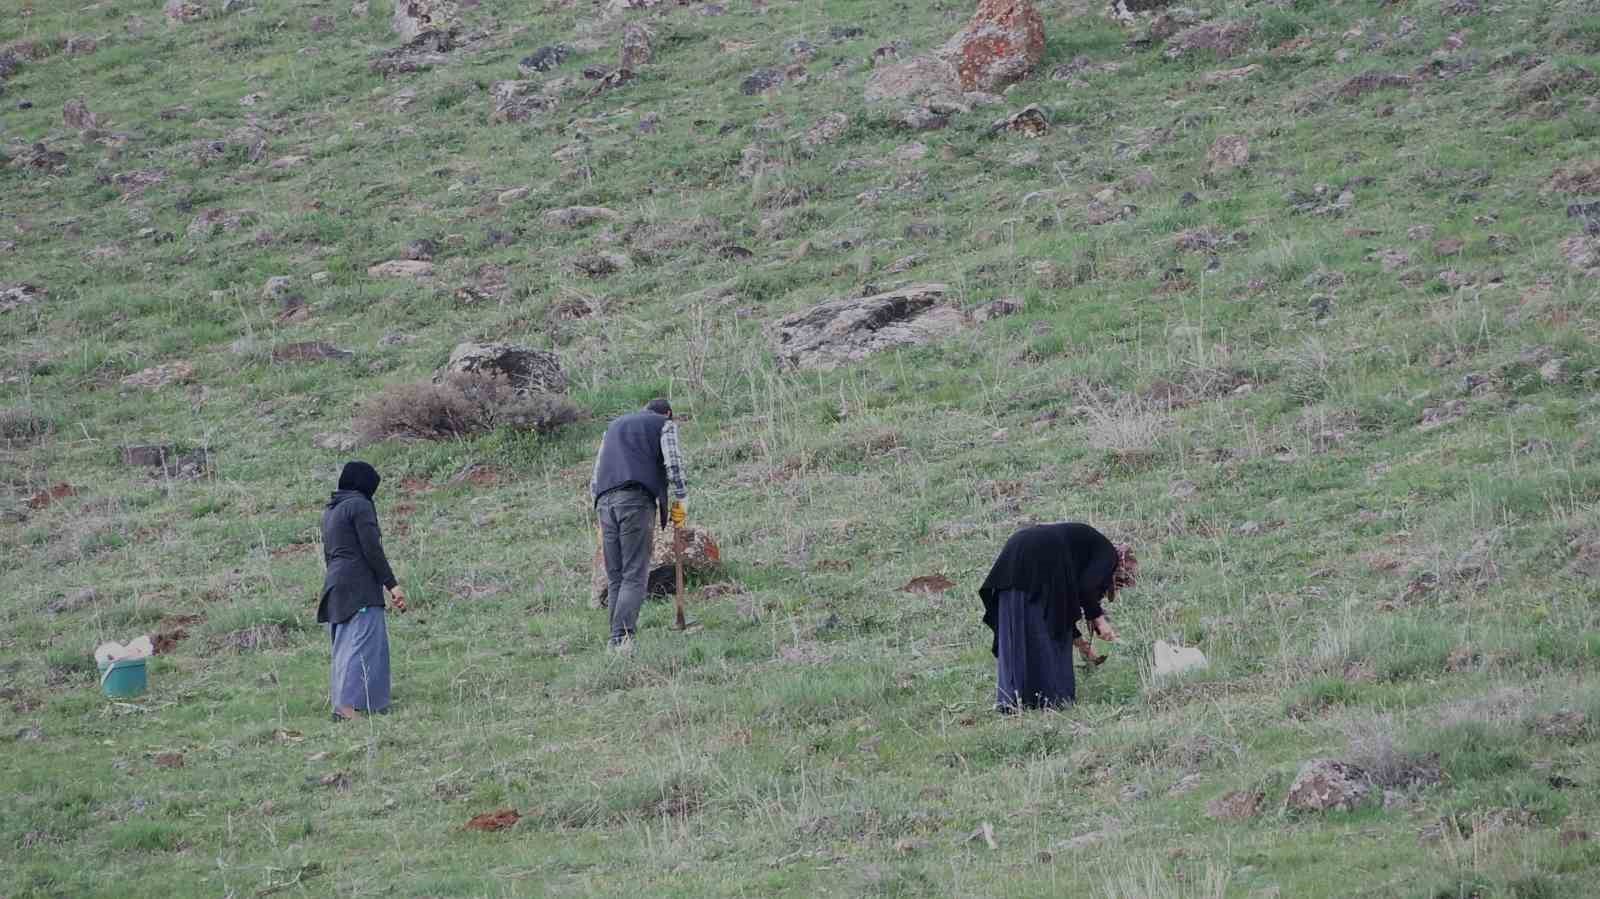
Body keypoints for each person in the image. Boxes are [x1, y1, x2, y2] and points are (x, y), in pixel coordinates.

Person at [977, 523, 1137, 710]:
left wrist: (1081, 643)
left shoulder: (1083, 552)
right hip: (1039, 555)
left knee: (1020, 629)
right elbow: (1086, 589)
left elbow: (1061, 611)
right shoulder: (1108, 554)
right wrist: (1100, 620)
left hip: (1015, 553)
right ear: (1118, 569)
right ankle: (1050, 701)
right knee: (1044, 634)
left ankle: (1014, 701)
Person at [590, 398, 688, 651]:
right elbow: (673, 464)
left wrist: (600, 505)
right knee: (635, 574)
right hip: (635, 501)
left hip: (604, 503)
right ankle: (620, 639)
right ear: (668, 413)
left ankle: (615, 640)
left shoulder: (613, 427)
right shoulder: (664, 424)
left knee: (616, 576)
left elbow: (596, 474)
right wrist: (681, 500)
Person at [318, 461, 406, 721]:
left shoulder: (331, 511)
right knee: (364, 643)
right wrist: (391, 584)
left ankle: (353, 705)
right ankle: (348, 708)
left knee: (344, 647)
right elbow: (371, 548)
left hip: (335, 583)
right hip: (359, 585)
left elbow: (329, 554)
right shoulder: (360, 505)